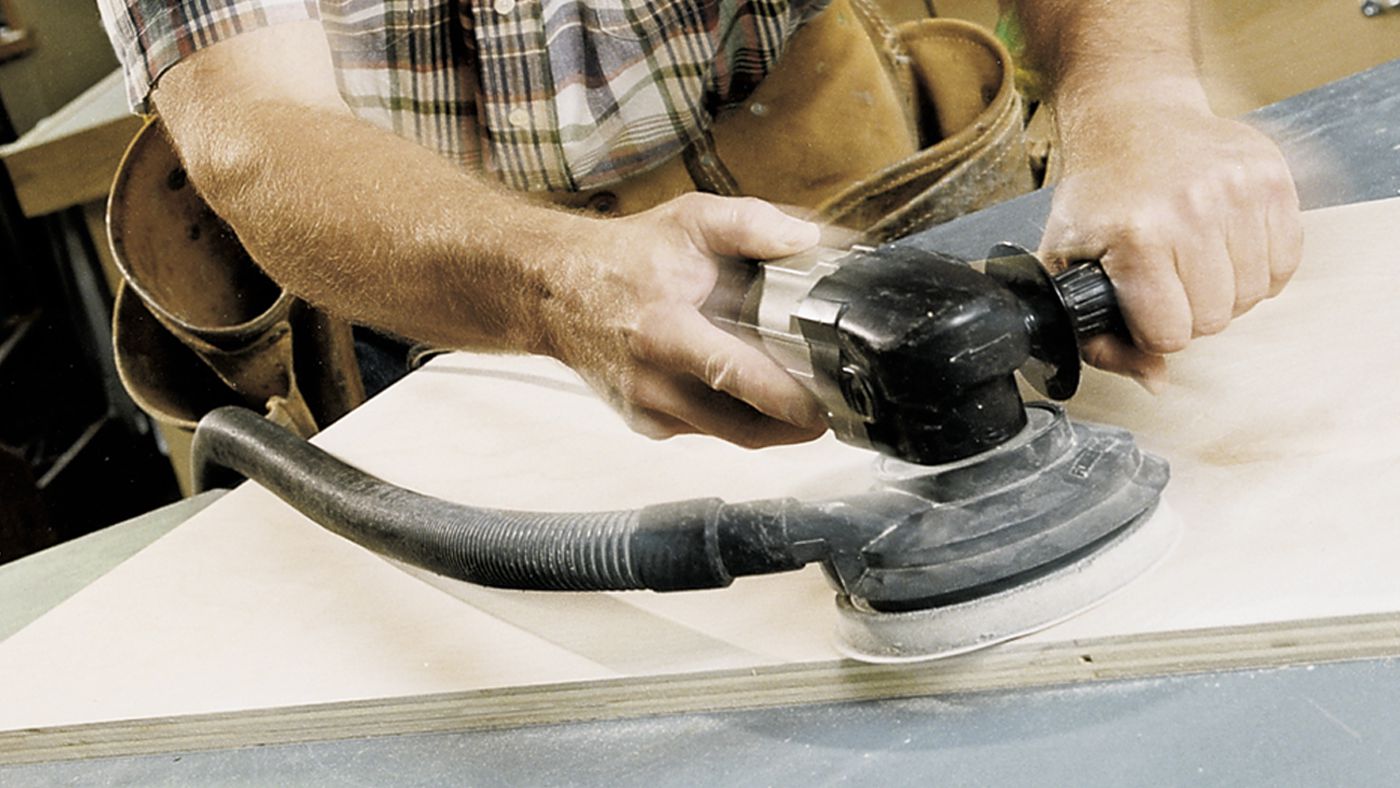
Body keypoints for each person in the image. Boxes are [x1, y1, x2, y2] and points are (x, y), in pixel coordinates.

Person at [97, 0, 1301, 450]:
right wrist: (558, 285)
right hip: (446, 309)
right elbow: (253, 128)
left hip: (854, 194)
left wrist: (1132, 93)